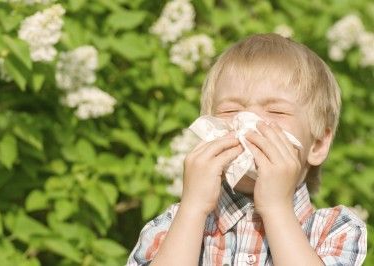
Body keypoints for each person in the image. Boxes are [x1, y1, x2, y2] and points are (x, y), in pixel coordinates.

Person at [127, 33, 367, 265]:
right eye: (230, 111)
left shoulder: (336, 229)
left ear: (317, 144)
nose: (247, 122)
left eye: (276, 112)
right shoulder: (173, 225)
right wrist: (193, 207)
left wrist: (276, 209)